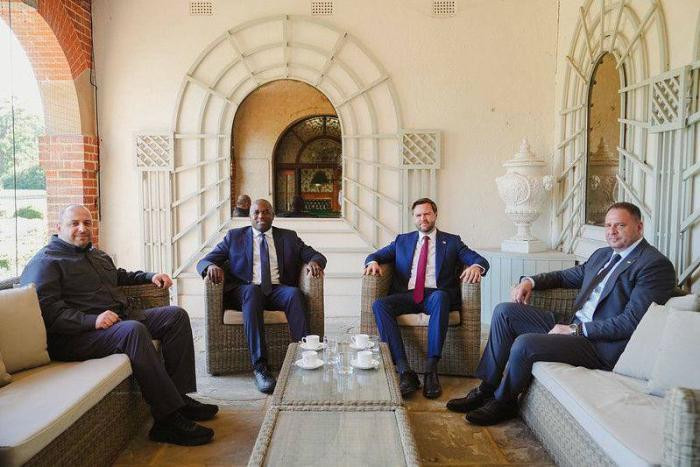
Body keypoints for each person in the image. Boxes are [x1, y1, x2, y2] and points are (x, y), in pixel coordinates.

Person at [447, 202, 677, 426]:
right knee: (504, 312)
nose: (612, 231)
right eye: (608, 225)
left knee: (525, 343)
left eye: (620, 225)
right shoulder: (603, 254)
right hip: (574, 325)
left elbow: (632, 322)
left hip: (599, 345)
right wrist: (530, 281)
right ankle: (486, 389)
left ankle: (505, 402)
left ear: (639, 227)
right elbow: (567, 276)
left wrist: (576, 330)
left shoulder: (654, 265)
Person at [20, 204, 217, 446]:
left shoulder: (96, 254)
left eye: (87, 223)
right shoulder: (45, 262)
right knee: (132, 330)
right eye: (74, 223)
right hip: (77, 336)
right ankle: (166, 420)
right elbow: (47, 312)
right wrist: (92, 320)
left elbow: (120, 275)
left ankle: (179, 398)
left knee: (175, 316)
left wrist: (150, 276)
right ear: (58, 227)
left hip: (116, 321)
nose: (82, 228)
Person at [196, 199, 326, 393]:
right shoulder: (234, 237)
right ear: (249, 217)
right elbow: (204, 261)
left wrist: (314, 262)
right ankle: (260, 367)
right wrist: (211, 266)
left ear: (273, 215)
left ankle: (307, 356)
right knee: (253, 292)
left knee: (294, 294)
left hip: (276, 290)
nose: (261, 216)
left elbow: (317, 255)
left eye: (266, 212)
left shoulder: (288, 237)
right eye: (256, 212)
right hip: (245, 291)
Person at [364, 198, 489, 399]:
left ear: (435, 215)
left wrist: (475, 267)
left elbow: (479, 260)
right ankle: (405, 371)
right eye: (418, 215)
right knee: (380, 305)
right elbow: (375, 255)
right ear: (414, 218)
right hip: (407, 294)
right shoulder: (402, 241)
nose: (423, 218)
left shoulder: (452, 241)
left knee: (441, 297)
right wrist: (372, 262)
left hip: (435, 295)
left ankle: (431, 369)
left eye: (427, 214)